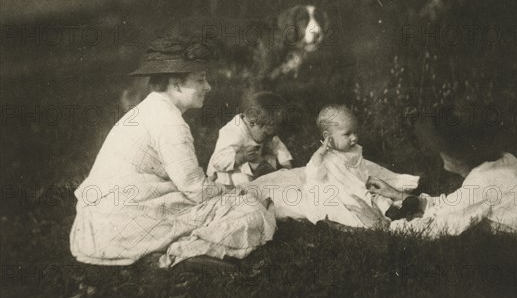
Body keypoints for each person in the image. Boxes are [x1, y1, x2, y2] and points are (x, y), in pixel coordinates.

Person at [69, 38, 277, 268]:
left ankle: (172, 250)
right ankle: (184, 254)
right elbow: (195, 189)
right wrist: (234, 191)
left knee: (235, 204)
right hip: (123, 220)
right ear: (176, 84)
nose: (208, 87)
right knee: (251, 210)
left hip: (98, 224)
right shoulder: (169, 123)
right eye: (200, 80)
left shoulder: (150, 108)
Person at [367, 104, 517, 247]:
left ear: (458, 156)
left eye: (443, 150)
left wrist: (387, 227)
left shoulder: (482, 185)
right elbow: (457, 202)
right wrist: (404, 197)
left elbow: (439, 227)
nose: (439, 154)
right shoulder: (503, 160)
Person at [302, 105, 419, 228]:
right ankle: (388, 216)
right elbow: (313, 175)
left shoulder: (354, 151)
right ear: (328, 137)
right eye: (347, 134)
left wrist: (365, 180)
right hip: (341, 192)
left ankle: (398, 211)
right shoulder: (325, 157)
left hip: (360, 187)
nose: (354, 138)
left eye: (355, 132)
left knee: (378, 200)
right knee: (354, 208)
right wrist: (319, 154)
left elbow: (361, 169)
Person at [207, 91, 293, 187]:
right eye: (266, 134)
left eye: (272, 135)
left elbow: (277, 146)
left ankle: (266, 186)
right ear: (252, 123)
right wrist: (240, 158)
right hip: (225, 174)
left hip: (251, 166)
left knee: (269, 157)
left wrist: (287, 166)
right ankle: (246, 194)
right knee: (240, 177)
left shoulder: (265, 131)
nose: (270, 139)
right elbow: (218, 161)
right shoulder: (233, 132)